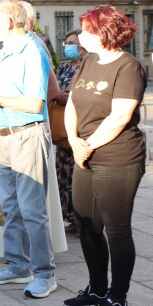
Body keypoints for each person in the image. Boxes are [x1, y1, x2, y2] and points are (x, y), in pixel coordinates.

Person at [62, 5, 145, 306]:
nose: (80, 36)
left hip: (118, 157)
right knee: (86, 225)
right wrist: (74, 142)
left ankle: (119, 299)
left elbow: (120, 116)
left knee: (117, 229)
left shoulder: (128, 66)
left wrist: (88, 146)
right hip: (84, 154)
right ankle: (97, 290)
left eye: (86, 30)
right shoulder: (88, 61)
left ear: (105, 32)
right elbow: (71, 104)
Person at [0, 0, 57, 299]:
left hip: (27, 135)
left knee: (32, 211)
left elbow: (35, 103)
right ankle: (18, 265)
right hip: (4, 135)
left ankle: (45, 274)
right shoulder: (5, 52)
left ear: (8, 20)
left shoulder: (32, 51)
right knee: (10, 208)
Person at [53, 29, 86, 233]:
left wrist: (68, 96)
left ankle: (81, 219)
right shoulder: (64, 68)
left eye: (72, 43)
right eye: (66, 43)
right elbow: (56, 91)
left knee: (76, 174)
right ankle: (68, 216)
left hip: (79, 126)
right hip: (61, 125)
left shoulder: (87, 67)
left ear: (82, 46)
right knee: (62, 173)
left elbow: (79, 95)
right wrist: (60, 95)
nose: (68, 47)